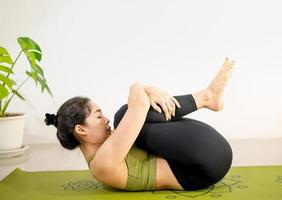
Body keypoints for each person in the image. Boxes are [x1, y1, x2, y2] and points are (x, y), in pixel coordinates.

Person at [44, 58, 236, 191]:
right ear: (81, 130)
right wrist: (141, 87)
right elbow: (140, 104)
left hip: (207, 155)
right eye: (98, 116)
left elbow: (140, 106)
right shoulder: (102, 163)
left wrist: (145, 94)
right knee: (123, 114)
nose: (106, 120)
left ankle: (208, 98)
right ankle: (206, 97)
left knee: (127, 114)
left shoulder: (107, 152)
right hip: (202, 166)